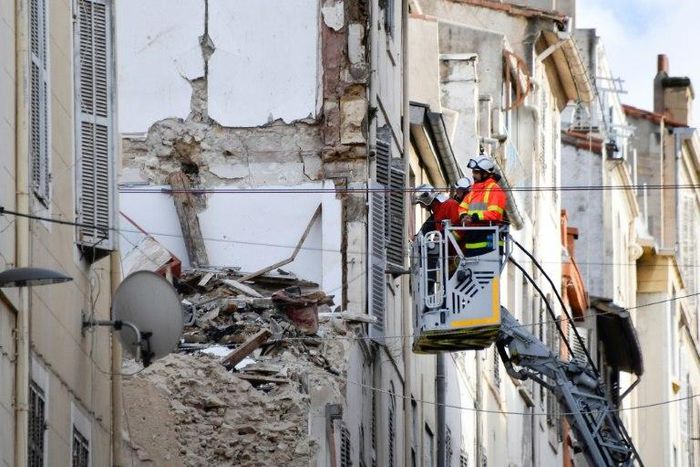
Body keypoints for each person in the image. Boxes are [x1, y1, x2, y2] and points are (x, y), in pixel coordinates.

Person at [458, 155, 507, 255]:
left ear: (485, 173)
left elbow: (495, 214)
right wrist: (464, 216)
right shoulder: (473, 190)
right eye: (473, 172)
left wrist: (474, 217)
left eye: (476, 172)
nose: (473, 175)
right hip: (472, 242)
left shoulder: (495, 189)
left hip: (488, 245)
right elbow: (462, 207)